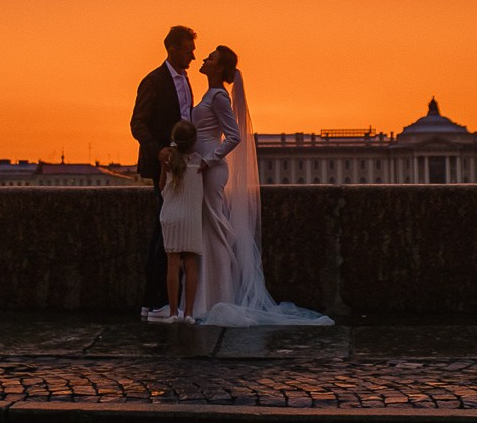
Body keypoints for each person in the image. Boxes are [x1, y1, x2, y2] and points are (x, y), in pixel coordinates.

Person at [193, 45, 333, 327]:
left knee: (216, 231)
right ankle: (209, 297)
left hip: (209, 170)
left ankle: (217, 299)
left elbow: (233, 136)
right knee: (210, 230)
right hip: (202, 168)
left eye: (210, 57)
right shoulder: (210, 94)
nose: (204, 59)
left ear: (219, 68)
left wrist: (210, 160)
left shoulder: (219, 96)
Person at [130, 25, 196, 317]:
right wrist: (159, 151)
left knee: (168, 233)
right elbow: (137, 124)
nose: (193, 55)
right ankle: (154, 301)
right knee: (164, 234)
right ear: (172, 49)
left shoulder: (185, 80)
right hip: (164, 167)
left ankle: (164, 302)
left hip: (183, 167)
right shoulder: (153, 81)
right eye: (188, 49)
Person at [158, 120, 203, 323]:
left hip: (171, 217)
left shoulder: (168, 162)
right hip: (192, 218)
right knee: (191, 265)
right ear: (194, 142)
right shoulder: (200, 163)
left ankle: (173, 312)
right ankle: (189, 313)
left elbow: (161, 188)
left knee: (173, 266)